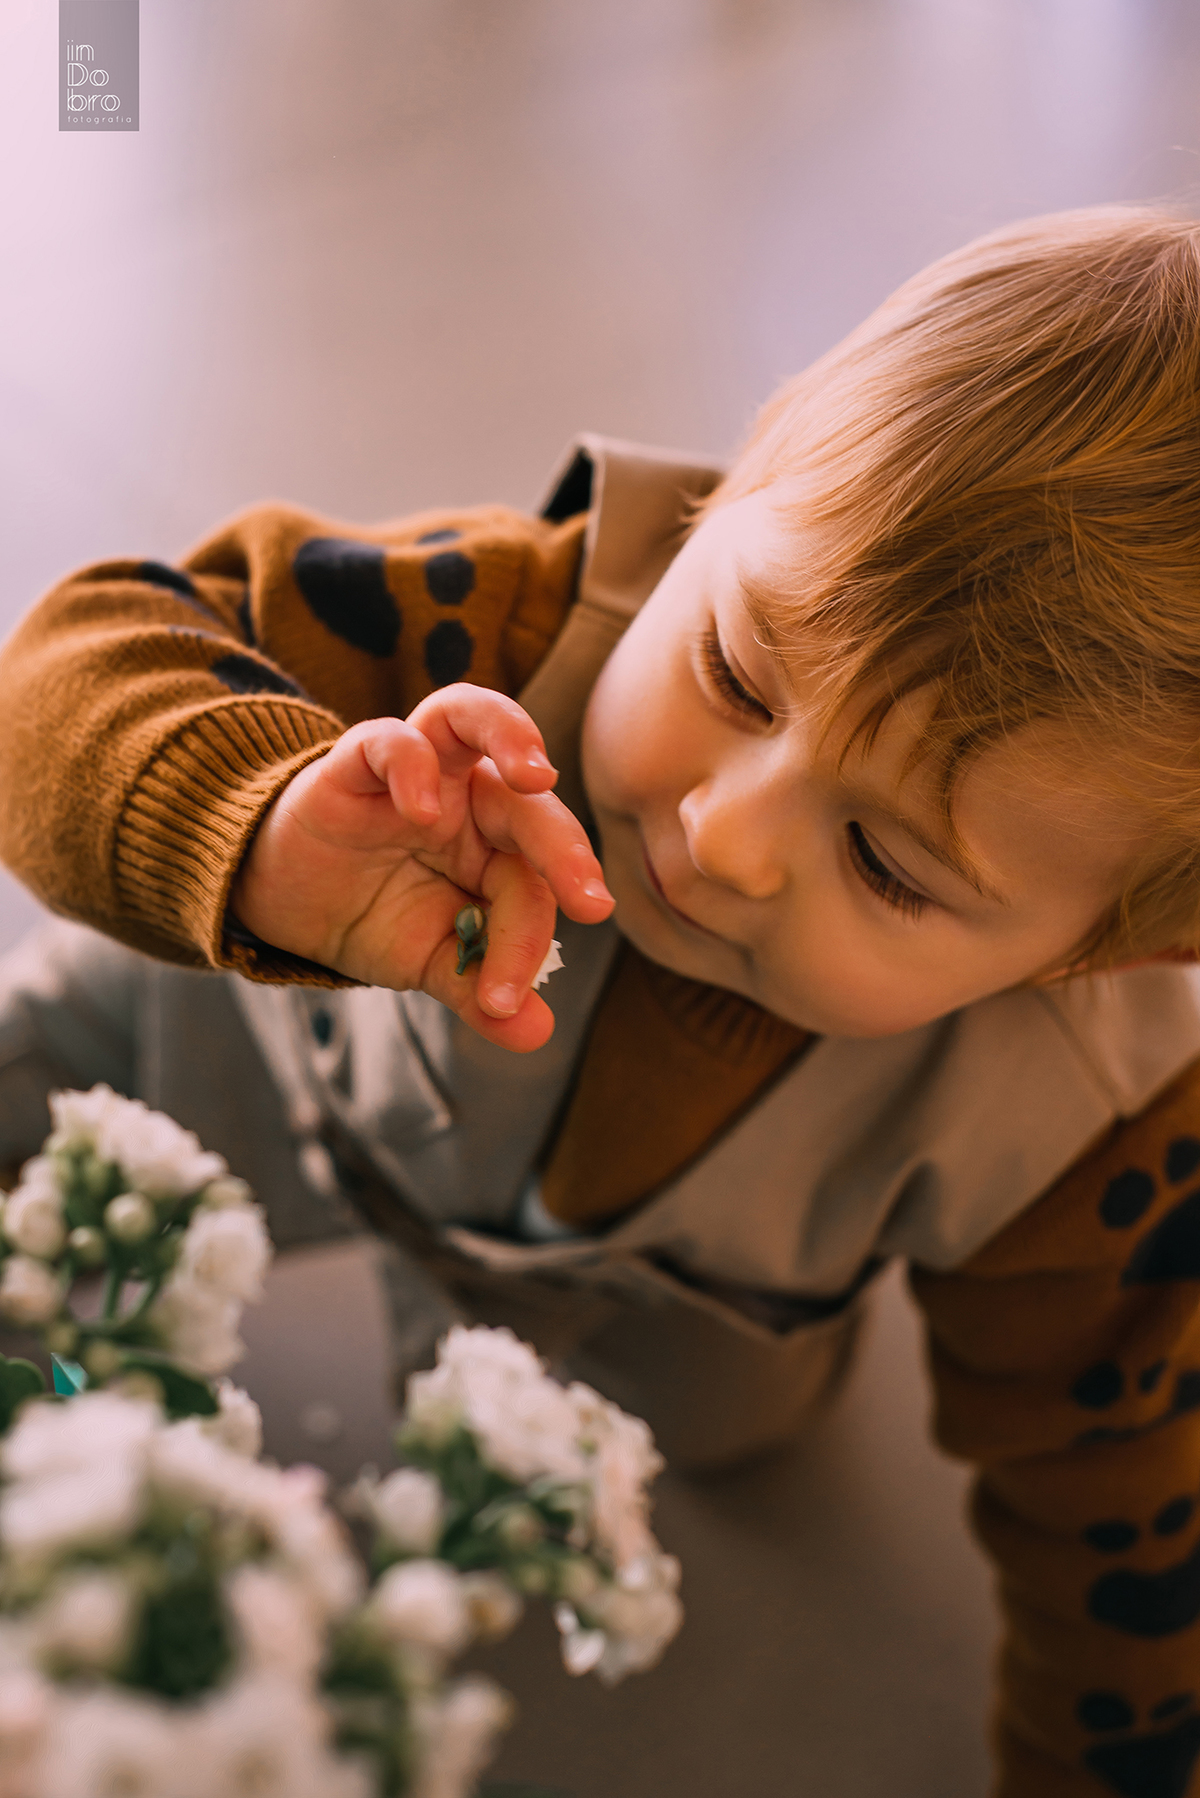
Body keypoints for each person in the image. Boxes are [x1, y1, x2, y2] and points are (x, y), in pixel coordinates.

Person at [1, 204, 1199, 1795]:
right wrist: (262, 825)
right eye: (739, 676)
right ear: (737, 483)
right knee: (44, 1069)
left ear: (1093, 951)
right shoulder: (503, 619)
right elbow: (67, 665)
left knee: (719, 1436)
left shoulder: (1082, 1128)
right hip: (262, 1049)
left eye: (892, 865)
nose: (725, 834)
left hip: (668, 1295)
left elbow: (1117, 1504)